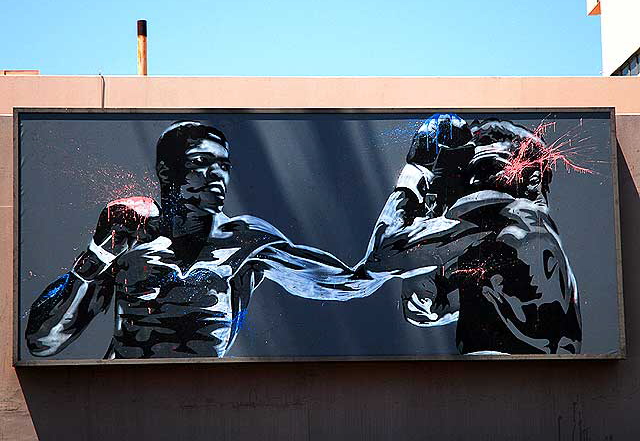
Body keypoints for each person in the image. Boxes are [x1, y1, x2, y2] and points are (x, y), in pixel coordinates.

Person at [26, 120, 487, 359]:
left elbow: (352, 282)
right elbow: (42, 344)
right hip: (116, 411)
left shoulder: (246, 242)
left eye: (223, 165)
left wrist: (415, 178)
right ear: (167, 172)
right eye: (202, 163)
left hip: (206, 414)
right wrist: (95, 255)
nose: (217, 176)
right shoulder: (127, 238)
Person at [397, 116, 582, 354]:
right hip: (519, 382)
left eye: (486, 170)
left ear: (530, 183)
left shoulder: (520, 223)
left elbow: (389, 255)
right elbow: (421, 305)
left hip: (521, 383)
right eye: (468, 177)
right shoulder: (491, 254)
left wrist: (415, 174)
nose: (472, 183)